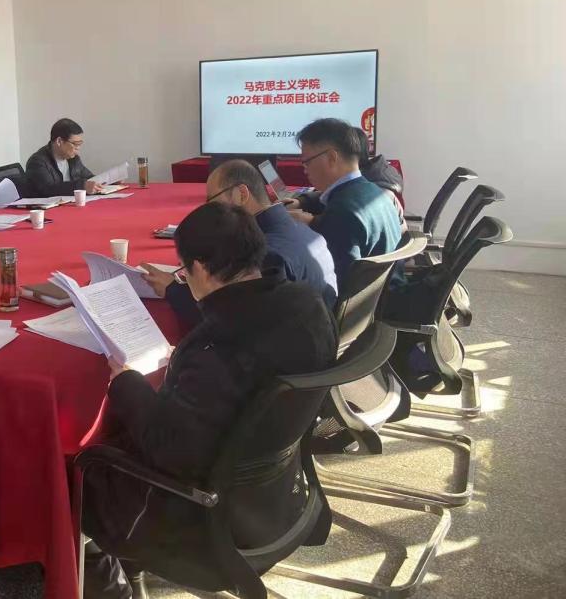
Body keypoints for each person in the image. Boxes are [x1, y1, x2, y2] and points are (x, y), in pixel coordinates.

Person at [83, 202, 338, 599]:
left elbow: (170, 451)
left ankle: (106, 586)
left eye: (182, 271)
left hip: (204, 513)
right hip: (277, 494)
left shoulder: (217, 345)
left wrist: (128, 383)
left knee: (81, 468)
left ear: (199, 269)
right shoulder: (308, 304)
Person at [142, 159, 338, 329]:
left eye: (213, 201)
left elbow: (232, 322)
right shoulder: (303, 231)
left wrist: (172, 290)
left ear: (242, 194)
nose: (211, 210)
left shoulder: (266, 254)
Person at [287, 118, 402, 292]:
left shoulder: (343, 211)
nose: (305, 170)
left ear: (332, 157)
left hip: (365, 301)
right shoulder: (375, 191)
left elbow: (338, 285)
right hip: (385, 292)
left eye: (307, 162)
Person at [25, 118, 105, 198]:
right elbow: (48, 189)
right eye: (75, 144)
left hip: (71, 202)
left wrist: (102, 183)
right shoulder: (37, 162)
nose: (78, 148)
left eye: (80, 144)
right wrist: (82, 186)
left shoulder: (73, 159)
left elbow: (89, 177)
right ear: (59, 141)